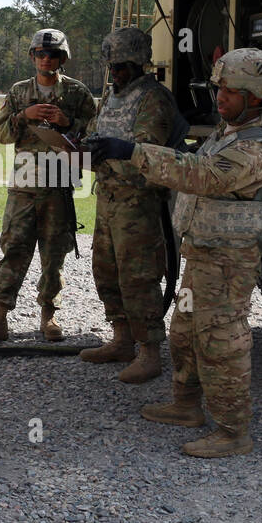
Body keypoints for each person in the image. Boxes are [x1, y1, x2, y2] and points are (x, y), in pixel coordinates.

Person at [86, 48, 262, 458]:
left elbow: (203, 175)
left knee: (221, 342)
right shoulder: (224, 135)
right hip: (203, 258)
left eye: (231, 91)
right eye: (219, 89)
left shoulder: (256, 150)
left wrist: (132, 152)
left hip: (228, 264)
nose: (221, 98)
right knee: (183, 333)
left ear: (256, 96)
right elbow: (195, 161)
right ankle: (186, 405)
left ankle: (234, 431)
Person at [0, 29, 96, 343]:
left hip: (59, 184)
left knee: (54, 255)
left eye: (52, 55)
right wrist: (24, 115)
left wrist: (69, 124)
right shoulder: (19, 92)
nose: (46, 59)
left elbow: (96, 133)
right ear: (32, 56)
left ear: (62, 58)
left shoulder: (78, 93)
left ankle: (48, 315)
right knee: (14, 249)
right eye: (40, 53)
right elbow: (0, 133)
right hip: (25, 184)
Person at [80, 26, 181, 383]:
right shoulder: (111, 97)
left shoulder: (153, 98)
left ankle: (150, 352)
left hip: (138, 203)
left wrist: (108, 154)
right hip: (108, 198)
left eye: (122, 65)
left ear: (139, 62)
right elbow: (96, 133)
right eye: (112, 66)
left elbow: (149, 151)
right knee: (106, 271)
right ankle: (121, 340)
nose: (116, 73)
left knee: (138, 277)